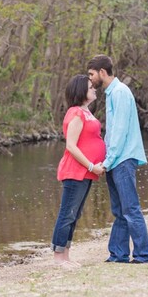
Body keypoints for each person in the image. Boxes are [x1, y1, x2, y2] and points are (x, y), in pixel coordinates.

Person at [87, 55, 148, 264]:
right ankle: (118, 254)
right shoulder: (111, 93)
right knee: (119, 211)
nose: (90, 79)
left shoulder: (120, 92)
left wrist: (107, 161)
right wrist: (107, 160)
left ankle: (144, 254)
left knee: (130, 208)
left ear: (102, 72)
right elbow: (112, 133)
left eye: (91, 74)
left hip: (123, 159)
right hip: (115, 159)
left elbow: (120, 131)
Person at [51, 74, 106, 267]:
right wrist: (91, 165)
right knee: (67, 213)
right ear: (81, 90)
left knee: (75, 215)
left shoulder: (86, 112)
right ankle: (59, 257)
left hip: (87, 173)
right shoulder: (76, 113)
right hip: (75, 172)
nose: (94, 89)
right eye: (90, 87)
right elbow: (71, 146)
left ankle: (66, 256)